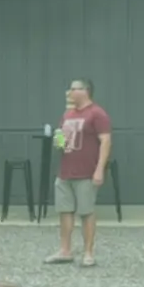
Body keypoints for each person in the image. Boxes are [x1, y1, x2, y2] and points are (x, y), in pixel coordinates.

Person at [47, 77, 112, 267]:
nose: (70, 92)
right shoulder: (67, 114)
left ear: (85, 91)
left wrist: (99, 169)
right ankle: (65, 250)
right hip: (65, 171)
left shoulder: (97, 114)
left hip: (86, 172)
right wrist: (59, 142)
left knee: (87, 212)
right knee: (64, 211)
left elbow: (106, 142)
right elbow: (62, 136)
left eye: (74, 89)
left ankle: (88, 253)